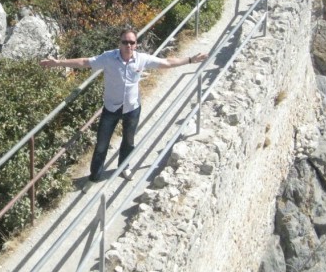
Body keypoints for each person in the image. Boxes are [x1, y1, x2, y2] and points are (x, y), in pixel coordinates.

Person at [41, 28, 207, 186]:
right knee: (101, 144)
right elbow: (85, 62)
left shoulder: (141, 59)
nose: (129, 45)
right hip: (111, 108)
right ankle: (95, 176)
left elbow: (167, 62)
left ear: (136, 44)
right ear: (119, 43)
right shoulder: (108, 58)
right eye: (125, 42)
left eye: (132, 42)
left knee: (129, 141)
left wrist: (190, 60)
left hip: (132, 108)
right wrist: (58, 63)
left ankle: (124, 167)